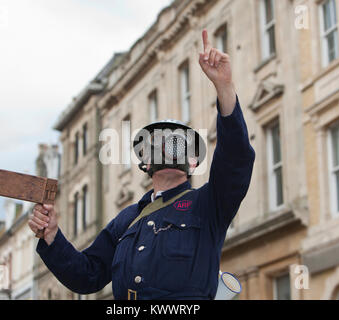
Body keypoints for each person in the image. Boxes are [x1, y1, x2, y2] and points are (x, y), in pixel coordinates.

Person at [28, 29, 255, 300]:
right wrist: (52, 234)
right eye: (158, 143)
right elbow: (87, 275)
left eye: (179, 144)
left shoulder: (208, 205)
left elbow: (235, 159)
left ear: (193, 162)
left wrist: (224, 88)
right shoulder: (126, 220)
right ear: (145, 163)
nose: (169, 149)